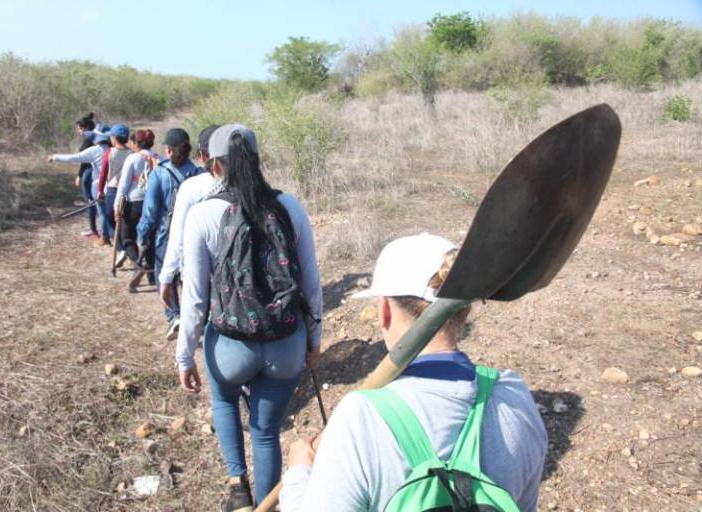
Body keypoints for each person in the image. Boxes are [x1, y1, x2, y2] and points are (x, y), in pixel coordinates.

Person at [279, 233, 548, 512]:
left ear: (384, 311)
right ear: (463, 314)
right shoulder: (515, 397)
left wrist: (299, 473)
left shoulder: (360, 420)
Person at [176, 124, 323, 511]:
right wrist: (314, 340)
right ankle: (265, 504)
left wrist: (184, 355)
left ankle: (236, 483)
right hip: (285, 345)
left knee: (224, 401)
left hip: (229, 345)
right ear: (257, 160)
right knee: (266, 433)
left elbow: (193, 299)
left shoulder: (203, 214)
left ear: (215, 164)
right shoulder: (289, 207)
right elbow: (310, 282)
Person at [137, 127, 204, 339]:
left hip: (166, 236)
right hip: (195, 236)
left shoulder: (159, 174)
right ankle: (196, 318)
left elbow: (149, 212)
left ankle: (174, 315)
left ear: (168, 150)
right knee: (192, 278)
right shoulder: (199, 174)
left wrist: (142, 235)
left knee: (164, 275)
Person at [158, 124, 220, 313]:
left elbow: (178, 237)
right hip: (233, 277)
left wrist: (166, 277)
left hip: (196, 272)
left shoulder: (191, 187)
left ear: (203, 156)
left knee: (197, 321)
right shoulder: (252, 187)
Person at [48, 123, 113, 245]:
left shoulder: (94, 151)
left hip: (98, 185)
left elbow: (74, 158)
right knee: (113, 213)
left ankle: (105, 238)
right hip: (114, 187)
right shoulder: (114, 150)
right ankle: (115, 238)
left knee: (103, 213)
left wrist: (55, 157)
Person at [115, 128, 156, 291]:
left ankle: (137, 263)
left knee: (127, 238)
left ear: (137, 143)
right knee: (150, 239)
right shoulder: (157, 158)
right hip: (152, 203)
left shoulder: (132, 159)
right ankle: (152, 274)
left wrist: (117, 205)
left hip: (134, 203)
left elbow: (124, 185)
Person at [97, 123, 131, 259]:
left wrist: (100, 190)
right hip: (128, 190)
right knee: (124, 220)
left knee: (110, 219)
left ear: (114, 138)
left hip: (112, 189)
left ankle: (120, 248)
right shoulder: (132, 153)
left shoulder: (109, 153)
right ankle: (126, 247)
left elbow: (103, 174)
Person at [74, 113, 97, 239]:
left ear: (86, 127)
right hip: (95, 172)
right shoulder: (96, 138)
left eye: (79, 128)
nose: (78, 131)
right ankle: (95, 228)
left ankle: (93, 229)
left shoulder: (88, 141)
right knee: (94, 201)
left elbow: (84, 160)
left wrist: (79, 175)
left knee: (90, 201)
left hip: (88, 173)